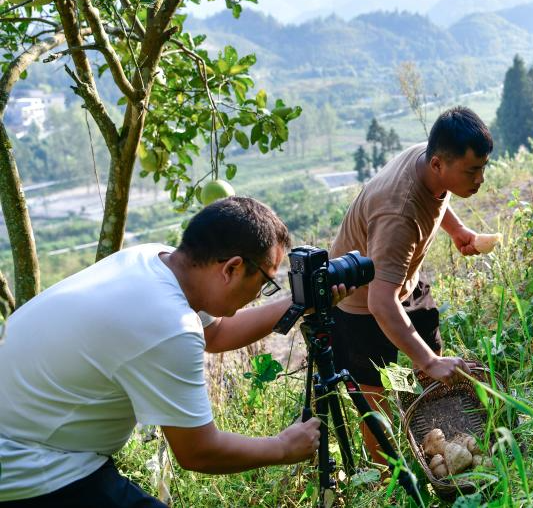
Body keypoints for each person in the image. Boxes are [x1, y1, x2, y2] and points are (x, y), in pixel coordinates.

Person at [0, 196, 352, 507]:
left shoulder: (151, 260)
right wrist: (283, 448)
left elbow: (217, 333)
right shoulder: (168, 324)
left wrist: (298, 304)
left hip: (28, 439)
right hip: (34, 468)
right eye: (264, 284)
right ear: (232, 268)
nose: (259, 294)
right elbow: (198, 451)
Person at [328, 106, 491, 464]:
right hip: (363, 303)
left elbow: (437, 197)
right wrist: (429, 361)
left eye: (482, 167)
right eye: (472, 171)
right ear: (438, 164)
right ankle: (386, 477)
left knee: (430, 368)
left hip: (403, 280)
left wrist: (457, 230)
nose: (480, 179)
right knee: (379, 398)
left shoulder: (432, 158)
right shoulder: (398, 215)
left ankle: (440, 446)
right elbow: (380, 303)